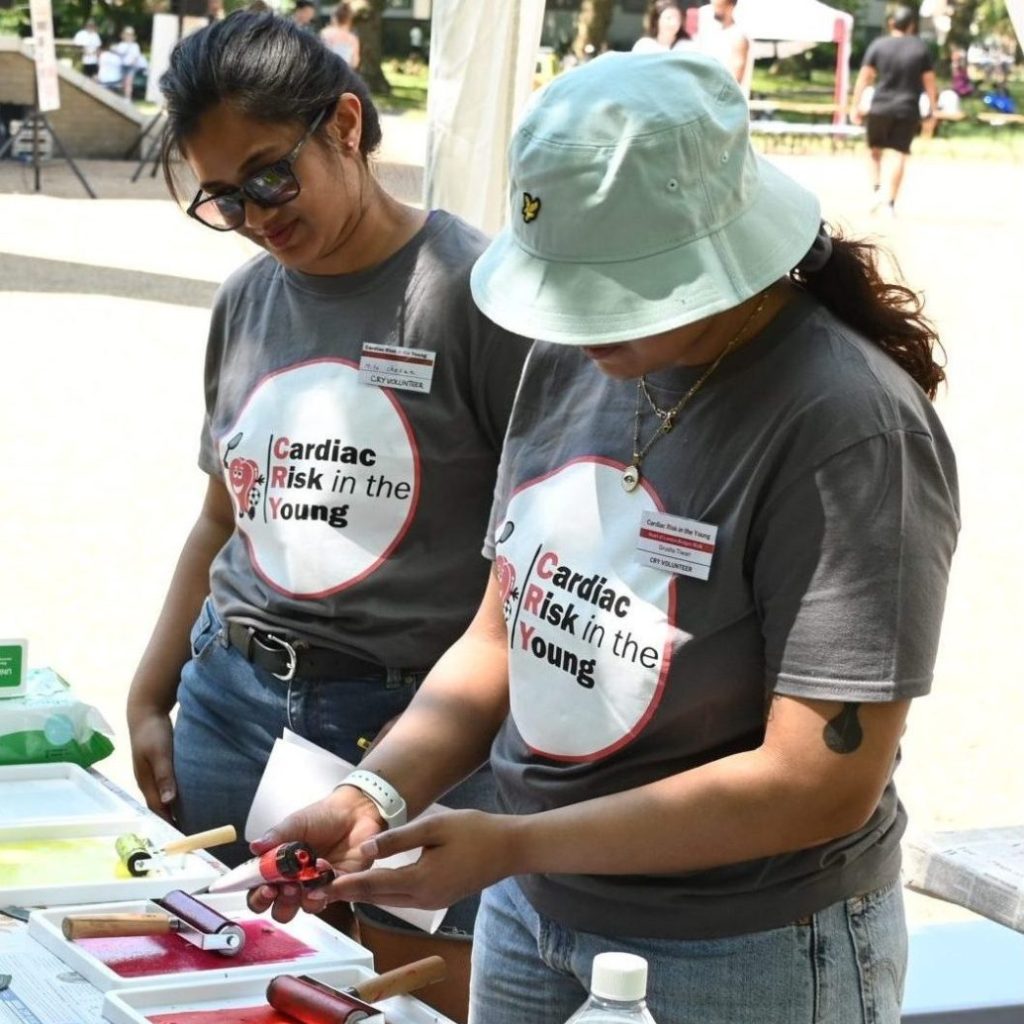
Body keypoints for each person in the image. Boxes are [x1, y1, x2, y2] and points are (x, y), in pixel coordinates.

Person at [250, 51, 959, 1024]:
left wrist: (518, 842)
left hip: (738, 945)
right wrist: (375, 791)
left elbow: (820, 781)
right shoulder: (573, 360)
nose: (579, 328)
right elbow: (500, 638)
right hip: (532, 904)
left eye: (608, 295)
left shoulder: (844, 426)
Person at [129, 8, 529, 948]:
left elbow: (528, 570)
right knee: (221, 977)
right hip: (231, 701)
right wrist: (154, 690)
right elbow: (221, 519)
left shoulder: (476, 295)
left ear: (346, 125)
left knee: (403, 991)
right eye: (225, 200)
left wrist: (413, 758)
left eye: (270, 176)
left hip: (411, 725)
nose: (257, 218)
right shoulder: (246, 301)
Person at [850, 5, 938, 217]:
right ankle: (890, 203)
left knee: (874, 150)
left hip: (880, 106)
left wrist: (855, 105)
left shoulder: (878, 45)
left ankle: (876, 191)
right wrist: (933, 110)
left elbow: (864, 77)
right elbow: (929, 82)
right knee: (900, 153)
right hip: (908, 108)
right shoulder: (920, 48)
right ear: (912, 26)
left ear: (891, 23)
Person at [697, 0, 751, 94]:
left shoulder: (738, 37)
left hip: (720, 96)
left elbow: (734, 79)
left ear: (730, 7)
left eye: (718, 6)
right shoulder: (710, 31)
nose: (713, 9)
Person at [320, 2, 360, 67]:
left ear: (334, 18)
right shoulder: (353, 39)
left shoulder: (326, 33)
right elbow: (354, 62)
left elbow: (321, 56)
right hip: (345, 70)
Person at [114, 26, 142, 100]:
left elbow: (136, 56)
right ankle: (123, 97)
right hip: (123, 66)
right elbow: (119, 53)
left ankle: (127, 98)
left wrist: (133, 62)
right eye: (127, 34)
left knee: (129, 82)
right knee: (123, 83)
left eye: (130, 35)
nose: (128, 36)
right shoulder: (121, 44)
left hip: (131, 66)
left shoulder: (135, 45)